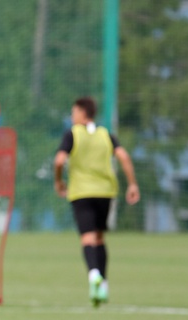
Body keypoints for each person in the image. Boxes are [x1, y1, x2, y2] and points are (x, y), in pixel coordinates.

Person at [54, 96, 140, 307]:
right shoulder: (105, 135)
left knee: (87, 239)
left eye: (74, 112)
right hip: (106, 193)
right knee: (99, 238)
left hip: (81, 193)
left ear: (83, 113)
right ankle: (104, 284)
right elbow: (124, 157)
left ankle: (94, 275)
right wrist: (132, 184)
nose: (72, 116)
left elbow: (59, 160)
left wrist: (58, 181)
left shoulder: (72, 134)